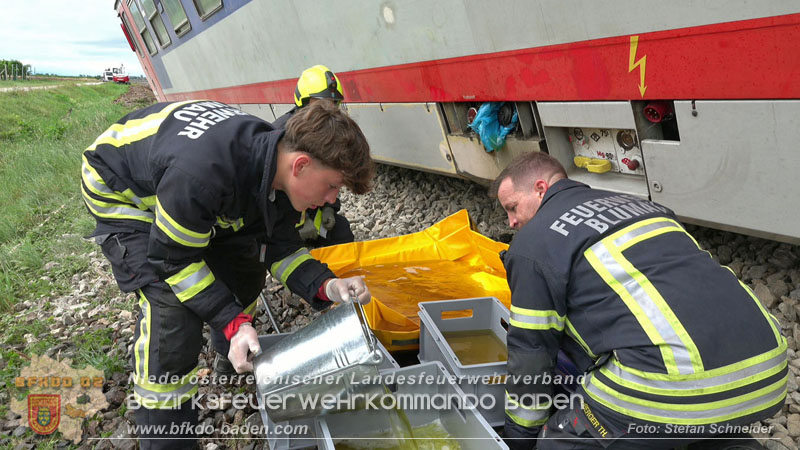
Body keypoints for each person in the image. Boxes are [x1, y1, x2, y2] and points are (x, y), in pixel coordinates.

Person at [81, 99, 374, 449]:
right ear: (301, 165)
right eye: (332, 186)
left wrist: (329, 286)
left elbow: (279, 248)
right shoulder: (203, 176)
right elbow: (174, 260)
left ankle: (230, 354)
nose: (330, 200)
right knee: (173, 312)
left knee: (245, 266)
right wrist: (232, 320)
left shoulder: (272, 163)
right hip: (122, 190)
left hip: (190, 183)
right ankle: (166, 440)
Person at [490, 151, 786, 450]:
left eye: (512, 208)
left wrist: (520, 438)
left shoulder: (532, 244)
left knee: (558, 443)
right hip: (767, 374)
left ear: (540, 188)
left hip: (671, 382)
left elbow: (532, 352)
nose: (511, 222)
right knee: (694, 423)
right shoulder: (647, 208)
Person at [273, 64, 353, 248]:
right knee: (289, 250)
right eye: (322, 103)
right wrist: (298, 222)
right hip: (284, 217)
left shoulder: (329, 131)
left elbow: (329, 176)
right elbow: (274, 191)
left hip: (312, 209)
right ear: (304, 101)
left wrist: (329, 210)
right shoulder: (281, 135)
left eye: (334, 103)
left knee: (342, 233)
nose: (329, 109)